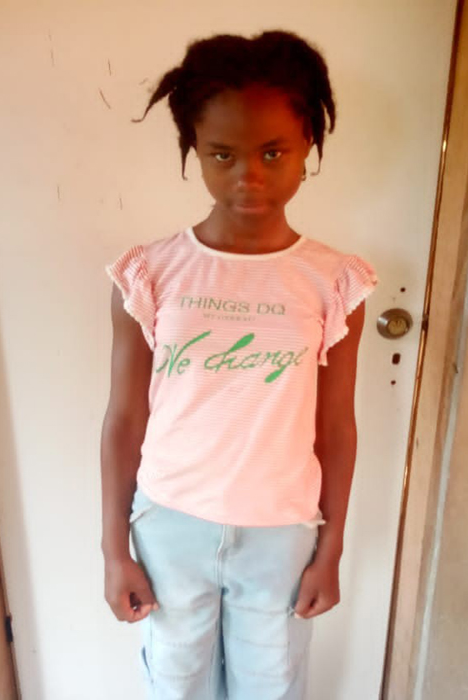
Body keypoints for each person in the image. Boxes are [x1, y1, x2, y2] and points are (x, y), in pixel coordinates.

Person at [101, 29, 378, 700]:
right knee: (177, 685)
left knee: (271, 687)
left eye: (272, 152)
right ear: (194, 149)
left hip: (281, 532)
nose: (248, 175)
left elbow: (336, 427)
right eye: (222, 154)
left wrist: (332, 549)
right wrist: (113, 550)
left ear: (308, 144)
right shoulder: (151, 273)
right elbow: (125, 418)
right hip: (169, 523)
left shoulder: (333, 281)